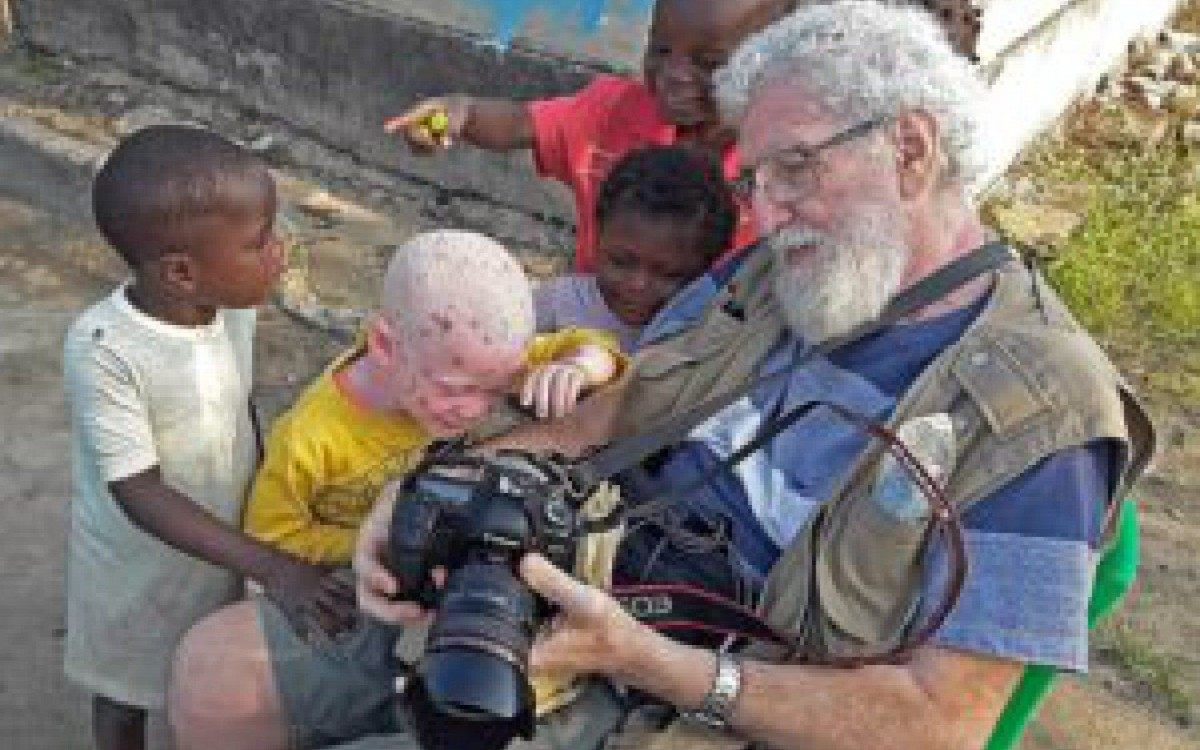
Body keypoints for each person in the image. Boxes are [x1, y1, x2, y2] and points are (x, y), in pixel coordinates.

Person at [352, 3, 1156, 749]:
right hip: (577, 581)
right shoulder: (782, 269)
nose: (767, 215)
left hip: (711, 703)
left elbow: (941, 723)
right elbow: (607, 418)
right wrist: (442, 479)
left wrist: (652, 663)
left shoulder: (1048, 410)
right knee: (246, 670)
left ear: (910, 149)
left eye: (796, 170)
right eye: (756, 179)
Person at [169, 230, 624, 750]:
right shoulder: (311, 439)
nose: (476, 410)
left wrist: (579, 366)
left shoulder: (466, 357)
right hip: (357, 581)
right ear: (385, 345)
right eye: (457, 392)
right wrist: (397, 537)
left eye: (495, 391)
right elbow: (272, 535)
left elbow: (601, 349)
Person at [62, 125, 334, 750]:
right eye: (259, 243)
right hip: (136, 571)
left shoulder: (228, 305)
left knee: (205, 674)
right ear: (183, 273)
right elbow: (137, 491)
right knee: (125, 693)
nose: (279, 252)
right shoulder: (106, 349)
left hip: (224, 545)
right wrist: (274, 566)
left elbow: (238, 412)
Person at [385, 0, 798, 272]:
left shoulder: (785, 162)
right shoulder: (613, 112)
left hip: (702, 362)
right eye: (660, 50)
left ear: (772, 61)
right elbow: (523, 124)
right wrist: (461, 112)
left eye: (708, 63)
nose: (674, 76)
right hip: (595, 327)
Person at [533, 144, 738, 352]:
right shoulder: (558, 305)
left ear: (704, 271)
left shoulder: (701, 337)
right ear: (597, 237)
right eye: (620, 262)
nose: (637, 284)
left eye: (668, 274)